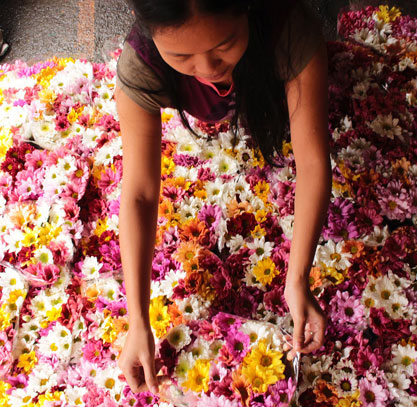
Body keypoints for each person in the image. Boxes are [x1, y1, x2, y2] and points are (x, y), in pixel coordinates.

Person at [115, 0, 332, 395]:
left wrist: (297, 279)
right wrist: (138, 321)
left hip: (278, 77)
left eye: (224, 44)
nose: (209, 67)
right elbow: (141, 194)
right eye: (182, 55)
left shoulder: (289, 34)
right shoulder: (141, 64)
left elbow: (313, 163)